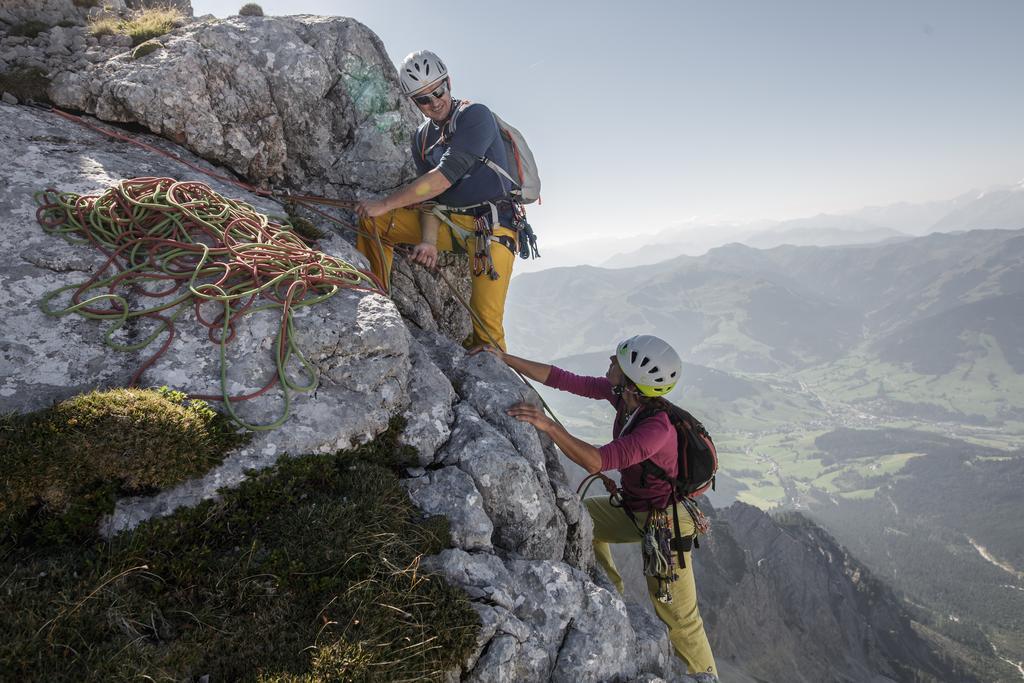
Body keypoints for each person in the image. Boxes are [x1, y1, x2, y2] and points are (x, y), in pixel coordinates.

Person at [479, 334, 718, 680]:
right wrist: (505, 359)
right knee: (583, 517)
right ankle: (612, 593)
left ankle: (707, 677)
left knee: (678, 616)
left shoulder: (655, 429)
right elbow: (564, 380)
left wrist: (547, 425)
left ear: (633, 382)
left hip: (666, 523)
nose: (610, 360)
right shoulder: (626, 400)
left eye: (617, 361)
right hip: (639, 507)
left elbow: (596, 460)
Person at [355, 50, 519, 350]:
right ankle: (376, 298)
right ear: (413, 102)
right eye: (423, 99)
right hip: (452, 223)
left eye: (437, 91)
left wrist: (387, 202)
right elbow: (433, 199)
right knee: (374, 221)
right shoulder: (421, 137)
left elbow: (443, 177)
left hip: (493, 228)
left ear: (448, 82)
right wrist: (429, 241)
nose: (434, 102)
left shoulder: (475, 116)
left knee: (486, 325)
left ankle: (500, 381)